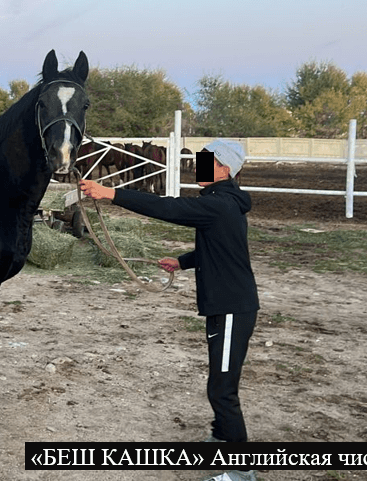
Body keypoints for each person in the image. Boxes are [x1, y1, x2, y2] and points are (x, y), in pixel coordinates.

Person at [79, 138, 259, 481]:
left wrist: (111, 194)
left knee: (222, 388)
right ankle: (222, 437)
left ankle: (241, 469)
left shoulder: (220, 205)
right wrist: (184, 261)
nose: (198, 167)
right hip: (227, 306)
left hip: (232, 308)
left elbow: (169, 208)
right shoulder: (224, 204)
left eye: (206, 161)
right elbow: (224, 246)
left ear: (224, 168)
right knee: (220, 382)